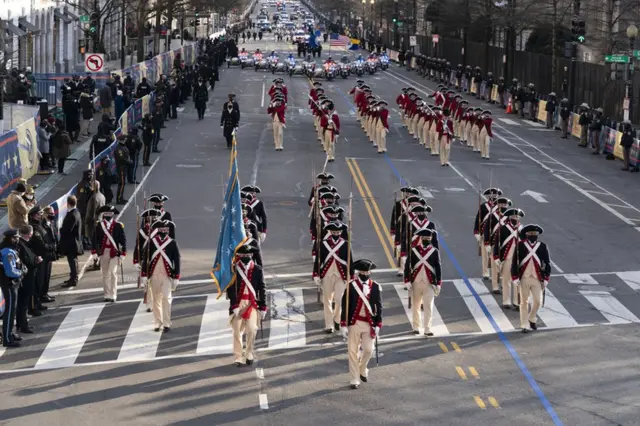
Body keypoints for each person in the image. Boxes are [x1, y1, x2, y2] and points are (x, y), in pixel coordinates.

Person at [340, 259, 382, 390]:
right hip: (354, 322)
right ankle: (354, 378)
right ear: (359, 272)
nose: (366, 273)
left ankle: (362, 367)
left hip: (369, 323)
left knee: (369, 350)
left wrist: (378, 324)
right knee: (352, 351)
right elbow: (345, 305)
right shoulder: (350, 286)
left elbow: (379, 307)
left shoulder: (375, 286)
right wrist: (343, 324)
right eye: (363, 271)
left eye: (367, 271)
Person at [228, 241, 267, 366]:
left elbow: (262, 288)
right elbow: (230, 288)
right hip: (238, 305)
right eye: (243, 255)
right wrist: (234, 304)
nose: (246, 257)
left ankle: (249, 352)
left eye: (248, 255)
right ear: (239, 256)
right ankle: (238, 356)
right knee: (236, 331)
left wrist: (263, 306)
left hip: (252, 304)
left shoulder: (257, 269)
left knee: (252, 329)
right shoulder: (233, 269)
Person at [140, 220, 180, 332]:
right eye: (162, 229)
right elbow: (146, 259)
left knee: (166, 299)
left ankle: (166, 322)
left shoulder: (172, 243)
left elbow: (176, 260)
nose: (164, 231)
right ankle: (158, 322)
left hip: (167, 275)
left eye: (166, 229)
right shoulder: (151, 242)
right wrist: (144, 274)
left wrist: (176, 276)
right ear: (158, 230)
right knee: (156, 299)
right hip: (154, 274)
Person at [511, 224, 551, 333]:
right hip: (524, 277)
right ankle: (524, 324)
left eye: (535, 234)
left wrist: (546, 277)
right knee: (524, 302)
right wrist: (514, 277)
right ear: (526, 234)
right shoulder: (520, 245)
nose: (533, 235)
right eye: (531, 233)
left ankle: (532, 318)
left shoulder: (542, 246)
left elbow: (547, 263)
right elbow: (514, 262)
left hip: (537, 278)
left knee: (538, 301)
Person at [313, 222, 352, 334]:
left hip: (341, 275)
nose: (336, 234)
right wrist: (316, 274)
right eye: (334, 232)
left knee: (339, 299)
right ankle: (329, 324)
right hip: (327, 274)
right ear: (330, 232)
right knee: (327, 299)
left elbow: (350, 260)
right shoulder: (323, 244)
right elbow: (318, 260)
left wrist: (351, 275)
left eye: (338, 232)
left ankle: (337, 319)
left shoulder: (345, 244)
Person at [403, 228, 442, 336]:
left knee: (428, 306)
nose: (427, 239)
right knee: (416, 305)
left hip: (429, 283)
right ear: (421, 238)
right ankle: (416, 326)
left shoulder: (434, 251)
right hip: (415, 281)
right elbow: (407, 266)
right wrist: (407, 281)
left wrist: (438, 283)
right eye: (425, 238)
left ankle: (427, 328)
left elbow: (438, 268)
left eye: (429, 238)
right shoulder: (414, 250)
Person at [92, 205, 126, 302]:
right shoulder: (99, 225)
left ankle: (113, 294)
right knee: (105, 274)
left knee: (113, 272)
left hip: (114, 252)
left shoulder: (118, 225)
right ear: (104, 214)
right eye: (106, 213)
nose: (108, 215)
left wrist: (123, 253)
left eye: (110, 213)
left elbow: (123, 240)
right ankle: (106, 294)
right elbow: (95, 239)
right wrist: (94, 252)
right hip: (103, 252)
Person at [493, 207, 525, 309]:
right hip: (507, 257)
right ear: (510, 217)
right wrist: (496, 256)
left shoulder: (522, 230)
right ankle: (506, 300)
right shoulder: (503, 228)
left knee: (518, 280)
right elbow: (497, 243)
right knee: (506, 279)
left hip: (519, 259)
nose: (516, 218)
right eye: (514, 216)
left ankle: (517, 302)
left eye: (517, 216)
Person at [0, 229, 24, 347]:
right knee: (9, 311)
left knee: (12, 310)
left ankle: (9, 333)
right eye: (16, 238)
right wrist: (21, 272)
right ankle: (7, 338)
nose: (18, 240)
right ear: (11, 238)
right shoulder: (8, 252)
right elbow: (10, 271)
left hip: (11, 284)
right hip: (9, 284)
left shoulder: (9, 250)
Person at [473, 188, 503, 281]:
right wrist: (477, 232)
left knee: (496, 255)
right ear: (489, 196)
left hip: (496, 234)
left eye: (496, 195)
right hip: (484, 233)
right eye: (492, 195)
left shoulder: (500, 207)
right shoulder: (483, 206)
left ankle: (496, 273)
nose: (494, 197)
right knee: (485, 254)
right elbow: (479, 219)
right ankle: (485, 272)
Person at [60, 196, 83, 288]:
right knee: (73, 261)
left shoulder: (72, 214)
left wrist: (61, 230)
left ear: (68, 203)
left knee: (72, 262)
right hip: (74, 241)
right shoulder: (76, 212)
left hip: (71, 243)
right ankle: (73, 277)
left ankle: (73, 279)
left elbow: (67, 229)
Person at [114, 135, 132, 204]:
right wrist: (129, 162)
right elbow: (121, 159)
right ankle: (119, 199)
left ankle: (121, 196)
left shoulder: (123, 147)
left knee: (123, 183)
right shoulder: (119, 149)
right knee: (121, 183)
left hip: (124, 167)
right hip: (121, 168)